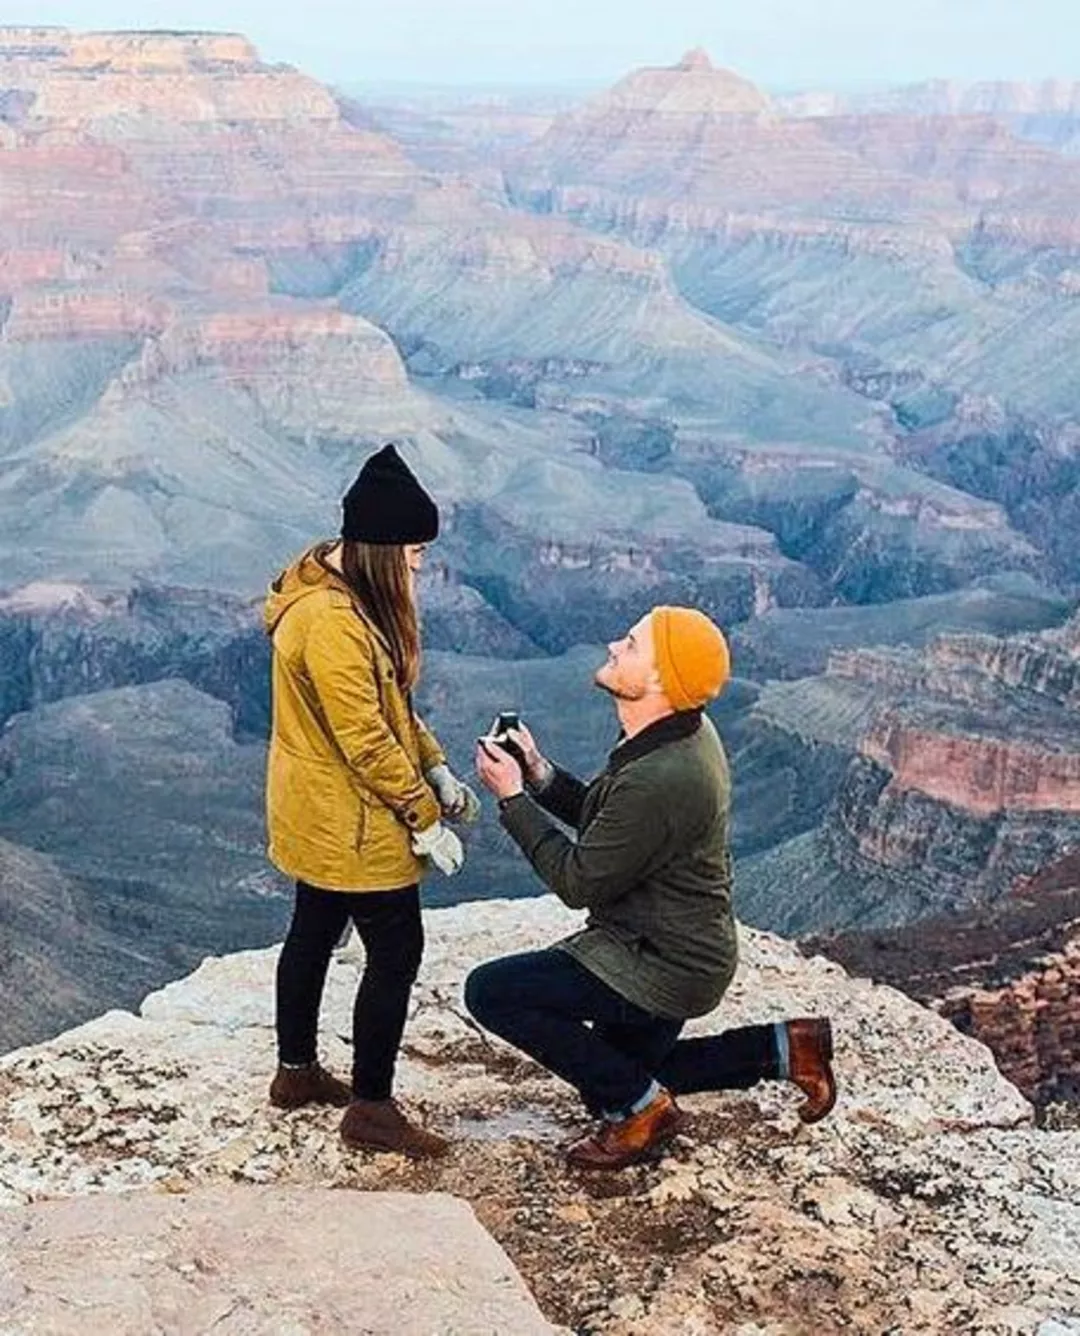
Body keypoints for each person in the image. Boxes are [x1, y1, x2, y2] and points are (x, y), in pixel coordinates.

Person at [467, 606, 836, 1171]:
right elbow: (614, 821)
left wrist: (512, 799)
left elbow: (577, 880)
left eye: (633, 644)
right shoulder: (674, 732)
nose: (615, 644)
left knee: (492, 992)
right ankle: (789, 1048)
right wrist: (539, 772)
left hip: (659, 963)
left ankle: (644, 1115)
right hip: (677, 946)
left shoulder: (664, 773)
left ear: (663, 680)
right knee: (610, 1080)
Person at [264, 443, 479, 1159]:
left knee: (314, 927)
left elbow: (394, 711)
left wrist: (439, 767)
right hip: (351, 820)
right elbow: (365, 739)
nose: (421, 565)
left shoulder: (346, 600)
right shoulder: (331, 623)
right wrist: (422, 816)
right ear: (383, 550)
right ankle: (372, 1110)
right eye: (415, 552)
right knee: (396, 950)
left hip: (321, 813)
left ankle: (295, 1075)